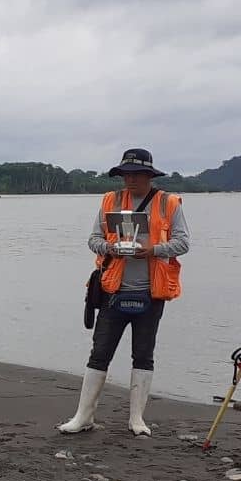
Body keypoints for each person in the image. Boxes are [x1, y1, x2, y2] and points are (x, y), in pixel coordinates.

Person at [58, 148, 191, 437]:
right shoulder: (110, 200)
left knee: (143, 354)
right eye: (126, 174)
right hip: (112, 289)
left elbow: (183, 243)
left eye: (136, 174)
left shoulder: (169, 203)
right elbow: (93, 239)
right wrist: (110, 247)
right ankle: (83, 416)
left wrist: (153, 250)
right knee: (100, 352)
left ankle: (137, 419)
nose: (130, 179)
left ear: (149, 176)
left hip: (152, 291)